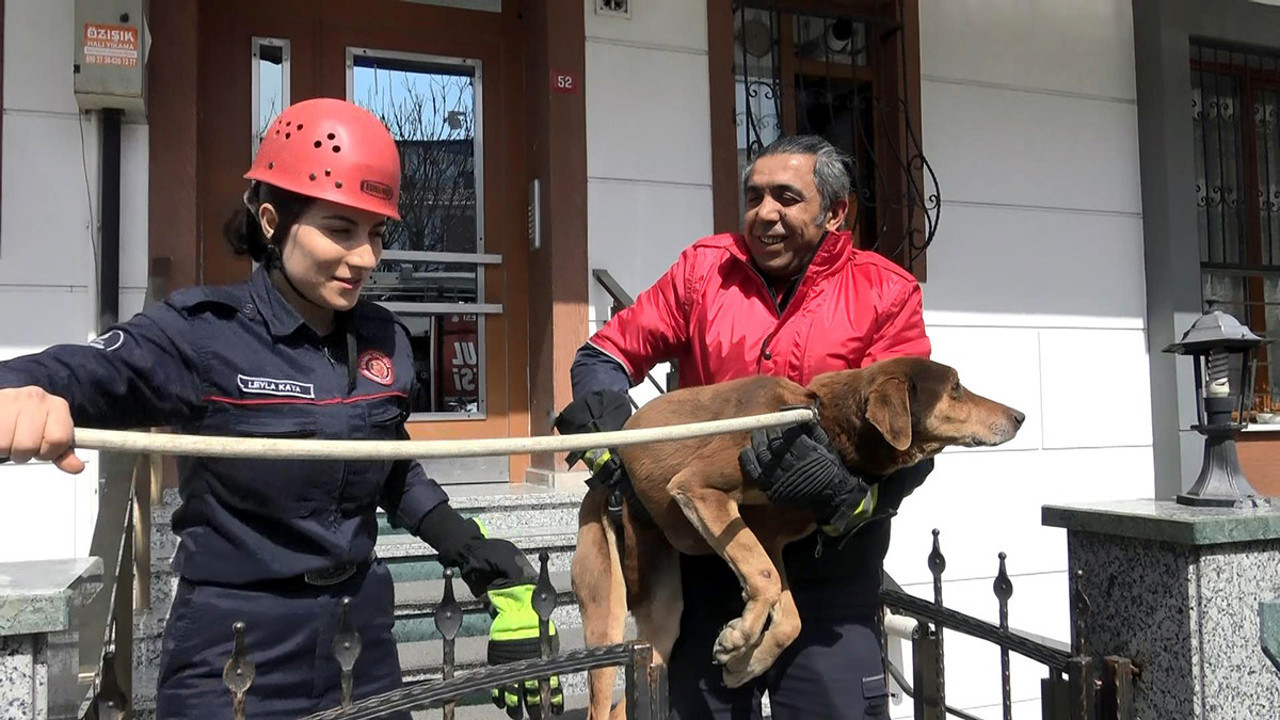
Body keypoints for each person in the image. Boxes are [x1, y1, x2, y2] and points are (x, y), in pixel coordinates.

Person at [0, 98, 559, 719]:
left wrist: (469, 548)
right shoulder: (204, 334)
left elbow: (387, 463)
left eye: (377, 233)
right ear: (272, 220)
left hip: (362, 636)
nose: (366, 258)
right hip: (234, 646)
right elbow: (85, 371)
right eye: (340, 229)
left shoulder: (385, 338)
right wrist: (20, 391)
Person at [556, 135, 935, 720]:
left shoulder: (886, 291)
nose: (764, 213)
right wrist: (615, 438)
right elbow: (604, 355)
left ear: (836, 212)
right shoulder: (703, 270)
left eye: (786, 197)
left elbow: (913, 431)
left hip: (828, 573)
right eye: (754, 196)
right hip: (711, 563)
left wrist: (849, 497)